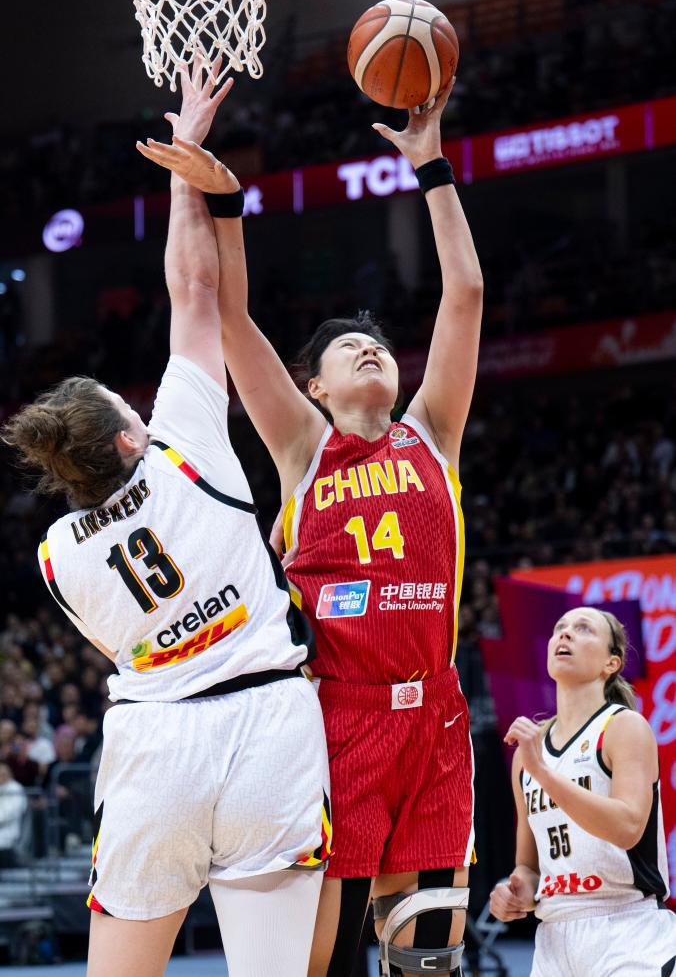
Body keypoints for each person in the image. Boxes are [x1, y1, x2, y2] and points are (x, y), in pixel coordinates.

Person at [138, 74, 482, 977]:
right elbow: (229, 316)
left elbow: (466, 294)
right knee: (320, 965)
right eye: (346, 347)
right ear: (316, 385)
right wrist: (221, 202)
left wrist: (432, 168)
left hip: (436, 717)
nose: (370, 347)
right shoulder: (302, 447)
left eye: (380, 344)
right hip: (332, 723)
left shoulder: (434, 434)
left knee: (427, 965)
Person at [2, 61, 330, 977]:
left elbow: (120, 643)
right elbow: (194, 289)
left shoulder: (57, 554)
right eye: (129, 406)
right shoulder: (185, 448)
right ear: (126, 439)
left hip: (157, 741)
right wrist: (188, 158)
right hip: (267, 716)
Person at [490, 607, 675, 977]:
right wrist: (516, 891)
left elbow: (627, 827)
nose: (565, 633)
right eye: (560, 627)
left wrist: (543, 773)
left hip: (626, 926)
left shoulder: (624, 727)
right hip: (554, 938)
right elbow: (529, 866)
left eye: (584, 628)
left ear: (611, 663)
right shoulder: (529, 754)